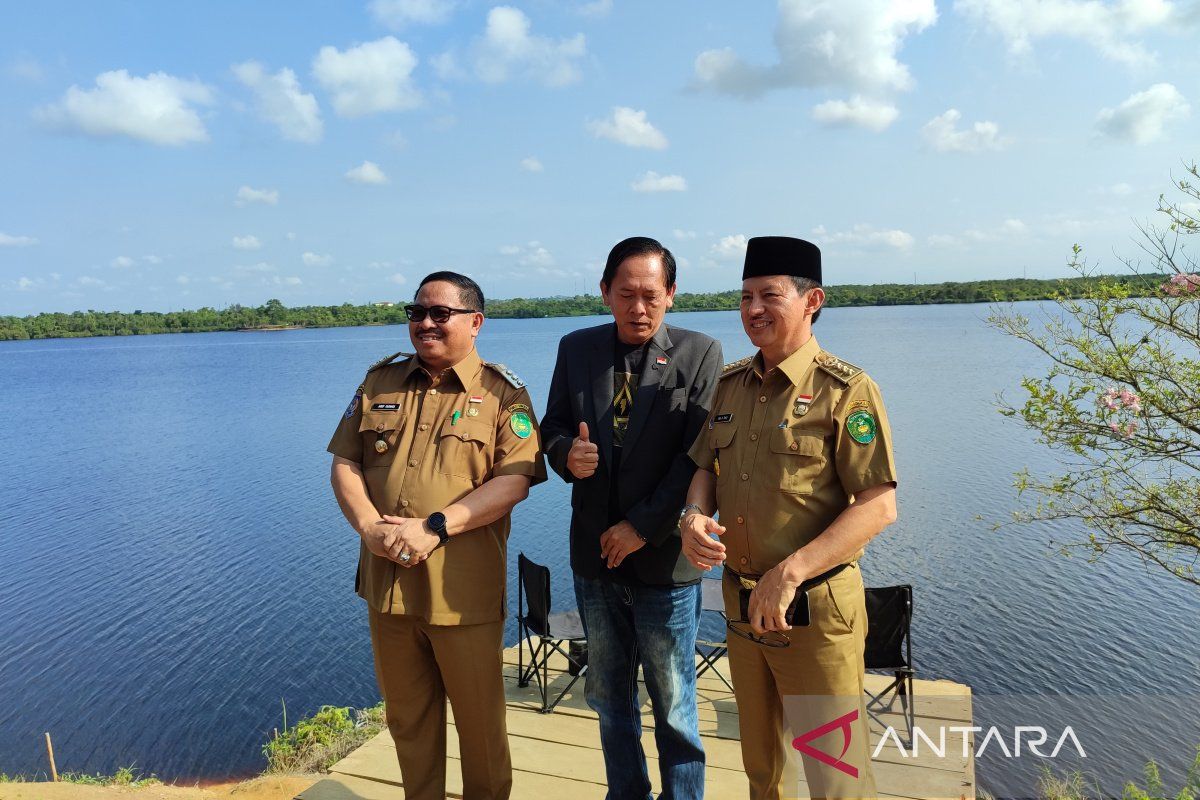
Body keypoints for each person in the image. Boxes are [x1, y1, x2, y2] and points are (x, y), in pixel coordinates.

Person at [680, 236, 898, 800]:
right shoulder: (729, 385)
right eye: (746, 296)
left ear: (812, 300)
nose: (753, 309)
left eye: (769, 295)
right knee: (761, 768)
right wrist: (694, 516)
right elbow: (706, 468)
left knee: (835, 776)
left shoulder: (846, 390)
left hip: (816, 614)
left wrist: (791, 571)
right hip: (742, 604)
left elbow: (878, 505)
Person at [327, 270, 546, 800]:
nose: (425, 323)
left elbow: (514, 481)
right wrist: (368, 526)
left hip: (460, 594)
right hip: (387, 588)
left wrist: (436, 528)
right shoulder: (380, 381)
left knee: (480, 732)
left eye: (439, 314)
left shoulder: (502, 393)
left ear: (475, 322)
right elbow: (344, 463)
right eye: (417, 312)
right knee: (408, 721)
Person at [542, 236, 723, 800]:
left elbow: (698, 456)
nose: (638, 308)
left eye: (651, 295)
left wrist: (641, 526)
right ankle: (626, 793)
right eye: (625, 294)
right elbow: (551, 426)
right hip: (595, 560)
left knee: (674, 703)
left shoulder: (700, 353)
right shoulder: (577, 348)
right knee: (607, 696)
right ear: (604, 293)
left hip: (665, 560)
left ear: (671, 294)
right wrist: (565, 453)